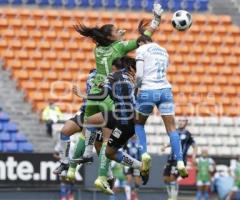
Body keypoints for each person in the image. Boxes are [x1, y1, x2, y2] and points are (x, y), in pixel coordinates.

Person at [69, 3, 163, 189]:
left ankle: (73, 167)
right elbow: (143, 40)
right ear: (111, 37)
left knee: (87, 129)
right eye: (116, 30)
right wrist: (155, 21)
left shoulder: (97, 49)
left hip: (95, 92)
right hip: (108, 96)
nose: (121, 30)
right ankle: (103, 176)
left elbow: (104, 40)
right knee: (107, 140)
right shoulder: (118, 48)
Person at [84, 56, 147, 195]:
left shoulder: (114, 75)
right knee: (90, 121)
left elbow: (102, 95)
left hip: (123, 121)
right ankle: (90, 155)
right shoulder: (133, 80)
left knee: (109, 152)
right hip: (124, 116)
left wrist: (83, 96)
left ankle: (139, 166)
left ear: (115, 67)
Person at [134, 31, 189, 179]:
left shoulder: (141, 50)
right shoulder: (164, 51)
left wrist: (136, 88)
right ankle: (180, 161)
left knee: (138, 124)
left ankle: (144, 153)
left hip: (147, 90)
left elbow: (139, 75)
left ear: (141, 42)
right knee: (172, 129)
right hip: (165, 90)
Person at [53, 69, 105, 178]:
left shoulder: (109, 77)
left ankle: (107, 175)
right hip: (85, 111)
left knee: (99, 147)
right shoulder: (93, 73)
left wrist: (82, 95)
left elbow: (102, 96)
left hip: (99, 115)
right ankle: (65, 162)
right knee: (65, 131)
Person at [162, 118, 197, 200]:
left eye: (183, 121)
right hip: (170, 159)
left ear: (186, 123)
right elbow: (172, 142)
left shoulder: (188, 134)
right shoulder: (174, 132)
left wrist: (193, 157)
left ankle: (173, 198)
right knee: (166, 178)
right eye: (180, 121)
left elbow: (195, 146)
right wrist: (165, 147)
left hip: (180, 160)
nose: (181, 122)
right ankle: (171, 195)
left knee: (172, 177)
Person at [123, 135, 142, 200]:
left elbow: (141, 153)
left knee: (137, 180)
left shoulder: (139, 142)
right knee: (128, 179)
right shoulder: (126, 141)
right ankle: (128, 198)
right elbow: (123, 151)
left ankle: (134, 194)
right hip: (128, 163)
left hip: (137, 163)